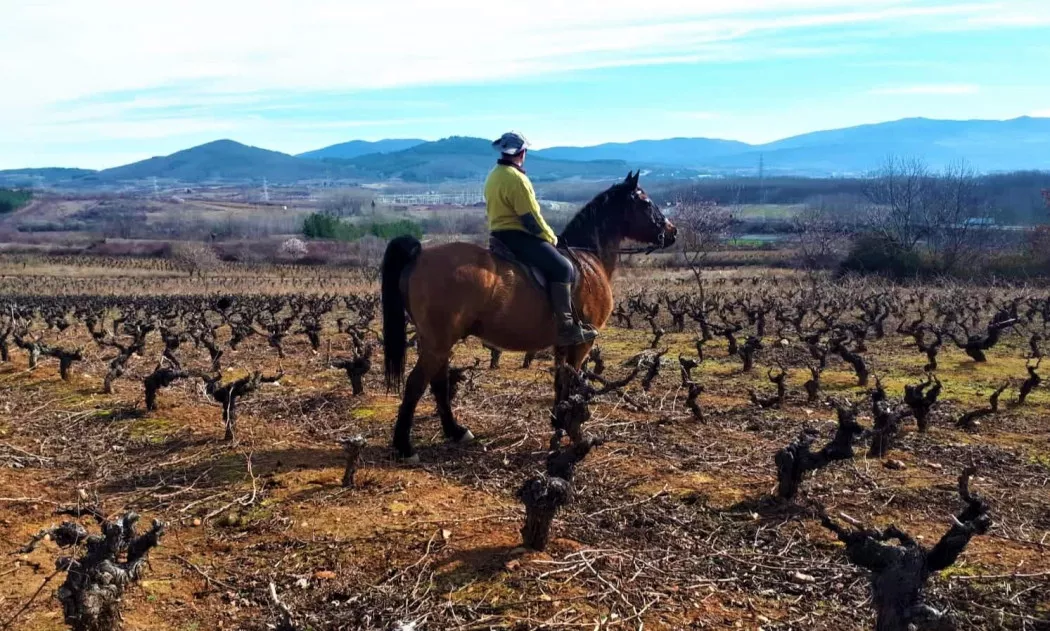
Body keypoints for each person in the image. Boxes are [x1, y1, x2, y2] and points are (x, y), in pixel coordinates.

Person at [484, 131, 598, 346]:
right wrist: (550, 237)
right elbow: (531, 219)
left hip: (498, 236)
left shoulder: (494, 175)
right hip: (518, 237)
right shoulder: (517, 179)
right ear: (522, 152)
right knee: (563, 267)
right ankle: (566, 327)